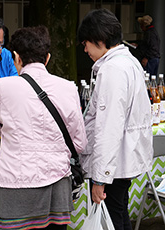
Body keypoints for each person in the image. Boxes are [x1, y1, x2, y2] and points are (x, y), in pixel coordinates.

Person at [0, 26, 87, 230]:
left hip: (15, 186)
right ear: (47, 58)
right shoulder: (69, 87)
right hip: (58, 185)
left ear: (16, 57)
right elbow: (79, 143)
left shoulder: (4, 86)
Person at [78, 9, 153, 230]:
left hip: (113, 164)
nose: (85, 50)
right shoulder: (128, 61)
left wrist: (100, 178)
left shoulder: (112, 69)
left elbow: (108, 127)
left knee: (112, 219)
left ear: (99, 40)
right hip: (121, 160)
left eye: (86, 43)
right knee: (118, 215)